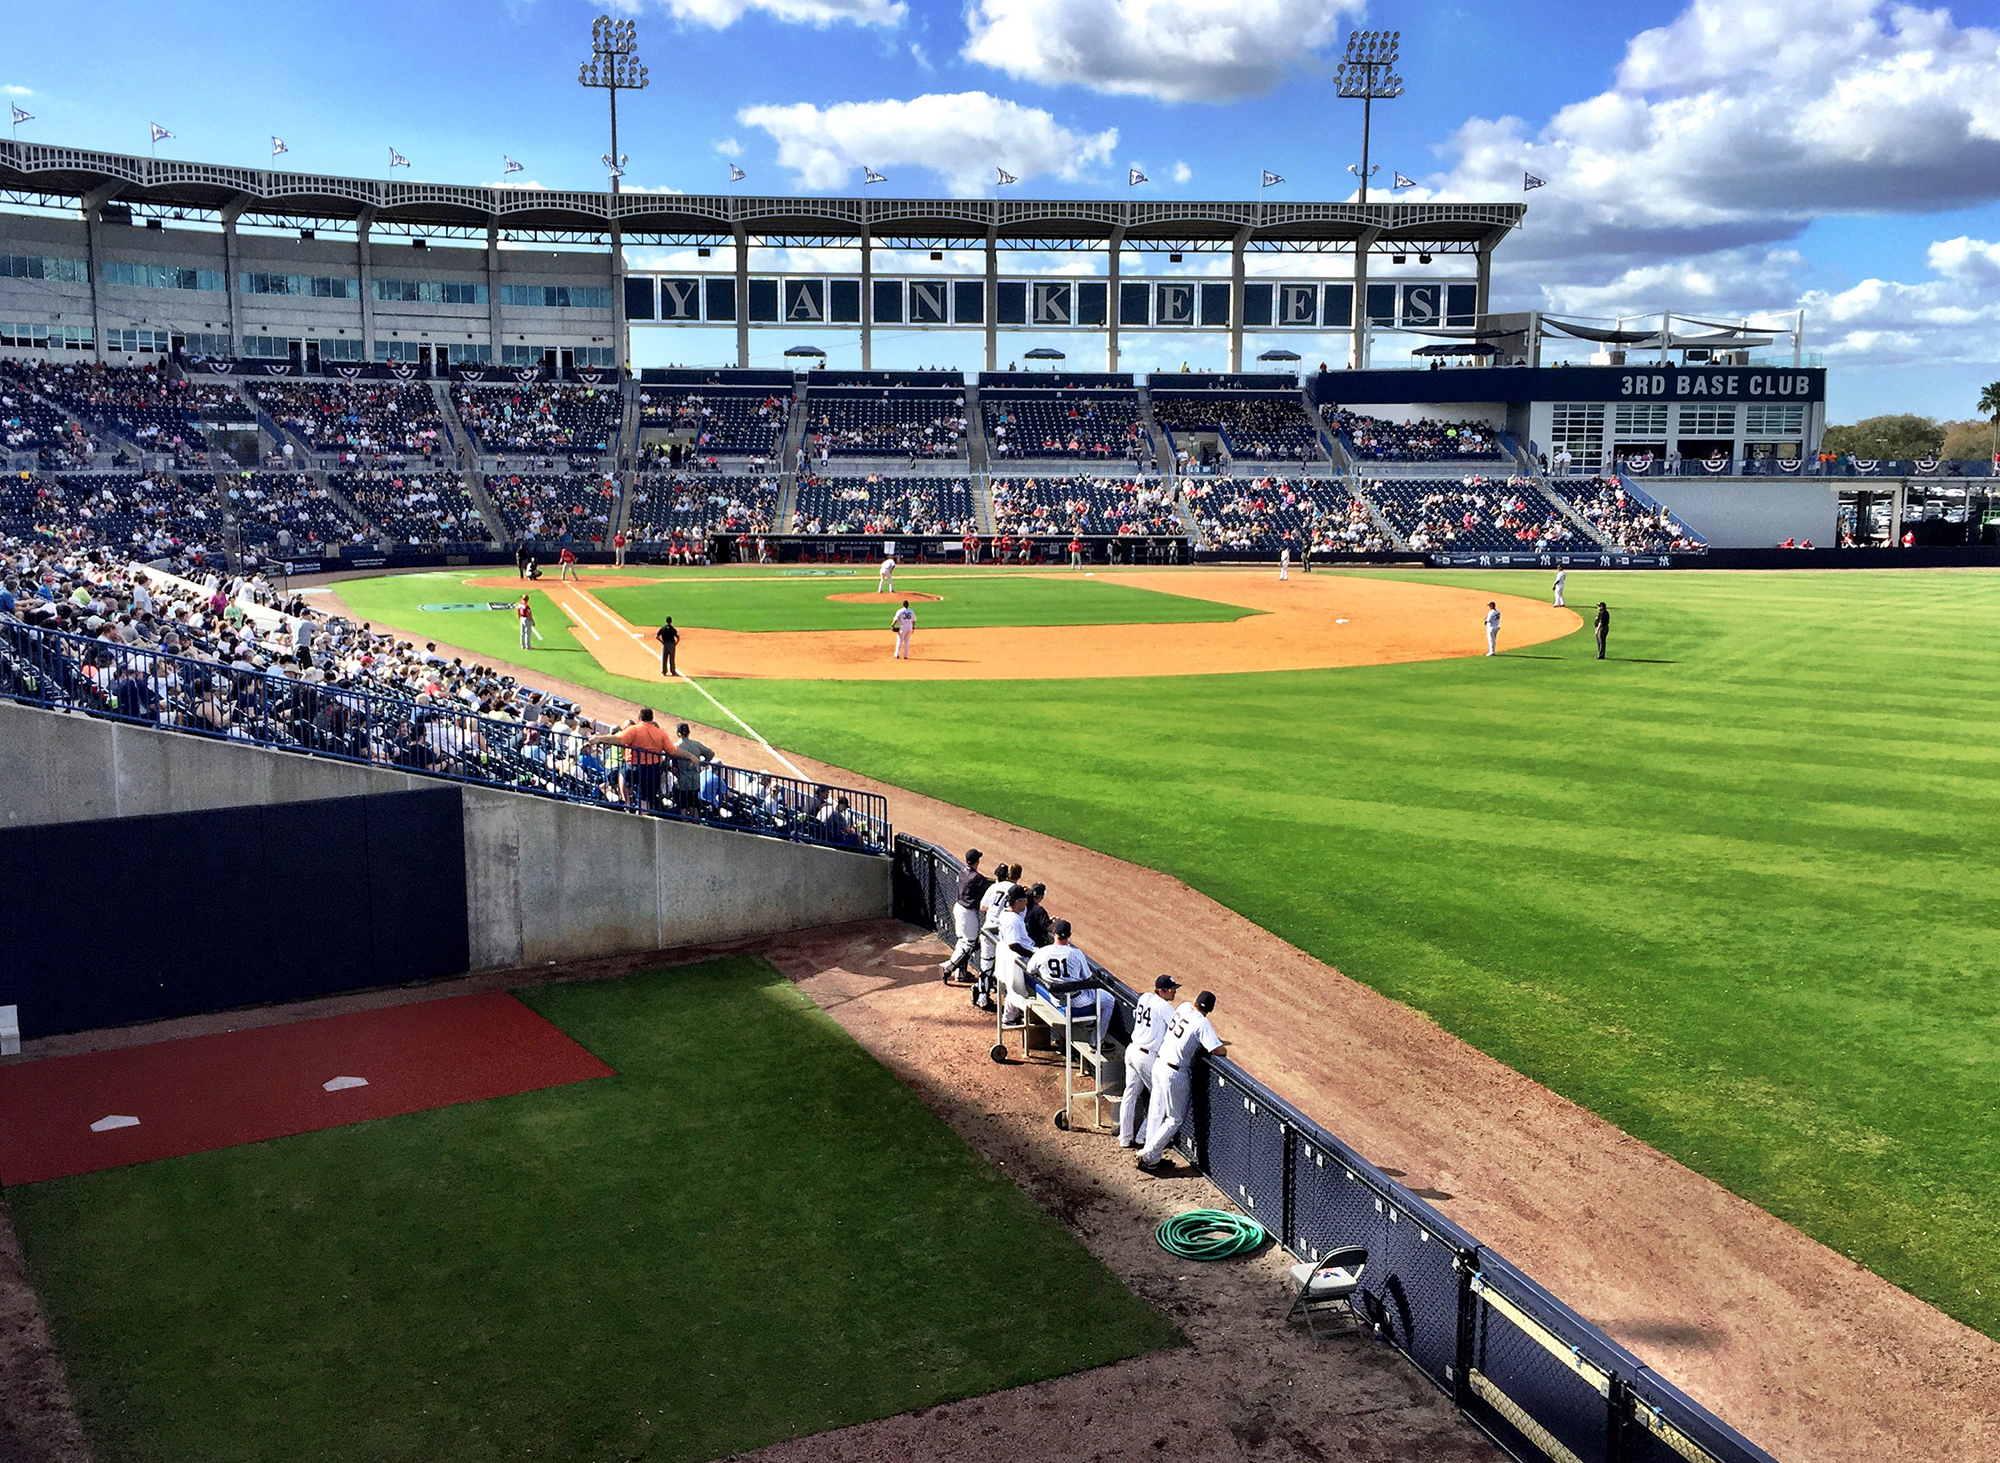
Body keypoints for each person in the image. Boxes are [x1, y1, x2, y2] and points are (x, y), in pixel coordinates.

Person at [1138, 989, 1228, 1171]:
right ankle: (1147, 1154)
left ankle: (1152, 1159)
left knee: (1156, 1111)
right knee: (1174, 1118)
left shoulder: (1183, 1007)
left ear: (1195, 1001)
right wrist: (1223, 1050)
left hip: (1159, 1063)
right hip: (1174, 1073)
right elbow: (1217, 1049)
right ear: (1210, 1009)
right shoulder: (1202, 1023)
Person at [1119, 975, 1179, 1149]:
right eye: (1171, 989)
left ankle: (1125, 1137)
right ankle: (1143, 1137)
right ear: (1161, 991)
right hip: (1147, 1056)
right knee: (1159, 1097)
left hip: (1131, 1050)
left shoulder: (1145, 997)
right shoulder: (1164, 1006)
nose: (1174, 992)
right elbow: (1176, 1027)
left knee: (1130, 1094)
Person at [939, 849, 991, 983]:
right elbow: (988, 887)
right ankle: (948, 967)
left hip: (959, 908)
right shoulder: (977, 878)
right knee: (969, 943)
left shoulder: (963, 872)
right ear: (977, 861)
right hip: (967, 913)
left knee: (963, 941)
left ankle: (961, 973)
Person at [996, 885, 1036, 1028]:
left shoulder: (1007, 913)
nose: (1026, 903)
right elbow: (1014, 945)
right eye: (1024, 900)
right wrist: (1033, 955)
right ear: (1018, 901)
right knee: (1016, 990)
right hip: (1019, 958)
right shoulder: (1012, 920)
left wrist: (1029, 896)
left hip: (1010, 957)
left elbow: (1025, 908)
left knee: (1012, 989)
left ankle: (1009, 1017)